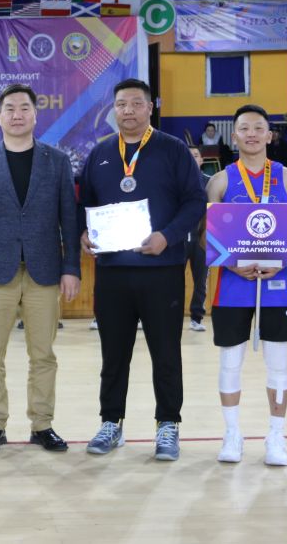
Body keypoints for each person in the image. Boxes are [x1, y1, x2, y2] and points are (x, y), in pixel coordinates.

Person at [79, 79, 205, 458]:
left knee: (165, 353)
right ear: (113, 110)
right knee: (113, 354)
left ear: (150, 108)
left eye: (136, 103)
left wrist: (168, 236)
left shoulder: (173, 150)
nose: (128, 110)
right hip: (113, 272)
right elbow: (85, 204)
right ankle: (111, 422)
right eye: (121, 104)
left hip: (162, 270)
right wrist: (84, 231)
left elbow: (195, 201)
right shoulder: (100, 153)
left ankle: (168, 424)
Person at [0, 84, 80, 454]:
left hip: (44, 271)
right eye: (9, 108)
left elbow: (69, 217)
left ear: (35, 114)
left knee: (43, 354)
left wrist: (71, 268)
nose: (17, 114)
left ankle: (42, 424)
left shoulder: (56, 161)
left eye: (24, 108)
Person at [205, 105, 287, 466]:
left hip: (277, 286)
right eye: (244, 128)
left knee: (278, 364)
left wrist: (278, 262)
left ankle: (276, 436)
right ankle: (232, 433)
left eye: (258, 128)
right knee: (230, 362)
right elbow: (206, 237)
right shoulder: (219, 181)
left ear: (269, 135)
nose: (251, 134)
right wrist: (232, 263)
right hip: (232, 285)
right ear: (234, 135)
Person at [186, 146, 210, 333]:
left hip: (201, 237)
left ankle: (196, 317)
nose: (192, 159)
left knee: (200, 280)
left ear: (201, 160)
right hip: (177, 238)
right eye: (188, 156)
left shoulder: (210, 182)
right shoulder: (174, 180)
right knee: (170, 280)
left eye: (195, 155)